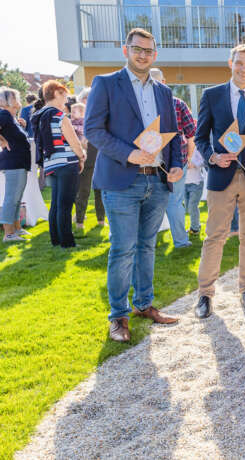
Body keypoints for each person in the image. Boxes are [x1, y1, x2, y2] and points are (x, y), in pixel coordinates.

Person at [85, 27, 184, 342]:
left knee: (147, 247)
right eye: (137, 49)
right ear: (125, 50)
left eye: (149, 51)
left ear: (155, 54)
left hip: (156, 182)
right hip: (121, 181)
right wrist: (130, 153)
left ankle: (143, 304)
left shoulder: (164, 93)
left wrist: (178, 164)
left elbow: (173, 134)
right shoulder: (105, 83)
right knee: (123, 249)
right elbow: (93, 130)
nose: (143, 55)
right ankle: (118, 316)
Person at [194, 43, 245, 319]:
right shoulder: (211, 95)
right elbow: (200, 137)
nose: (243, 68)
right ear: (230, 63)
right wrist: (213, 157)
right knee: (214, 236)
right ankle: (205, 294)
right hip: (221, 176)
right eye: (239, 63)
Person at [31, 80, 86, 248]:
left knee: (55, 203)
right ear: (56, 93)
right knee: (65, 204)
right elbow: (74, 142)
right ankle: (67, 243)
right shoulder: (59, 116)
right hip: (66, 163)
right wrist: (81, 157)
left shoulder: (39, 116)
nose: (67, 99)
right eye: (64, 95)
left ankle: (56, 240)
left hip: (50, 164)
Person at [150, 68, 196, 249]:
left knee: (151, 201)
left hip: (152, 159)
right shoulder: (177, 103)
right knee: (175, 200)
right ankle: (181, 241)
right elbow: (191, 135)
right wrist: (188, 157)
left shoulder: (145, 104)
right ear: (164, 81)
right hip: (177, 159)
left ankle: (149, 241)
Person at [0, 87, 32, 242]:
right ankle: (9, 234)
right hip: (13, 162)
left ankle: (17, 229)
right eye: (13, 98)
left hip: (18, 162)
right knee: (11, 198)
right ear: (5, 101)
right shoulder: (3, 114)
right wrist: (2, 141)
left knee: (17, 198)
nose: (17, 100)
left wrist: (21, 126)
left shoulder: (10, 117)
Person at [73, 87, 106, 230]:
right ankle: (80, 220)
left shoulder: (99, 114)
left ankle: (100, 220)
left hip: (99, 155)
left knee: (98, 189)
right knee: (84, 190)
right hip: (86, 156)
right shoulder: (77, 118)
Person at [184, 146, 205, 237]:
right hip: (184, 183)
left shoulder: (197, 148)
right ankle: (197, 224)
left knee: (192, 206)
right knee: (187, 208)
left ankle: (195, 228)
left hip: (196, 183)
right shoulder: (182, 147)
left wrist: (193, 164)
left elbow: (203, 161)